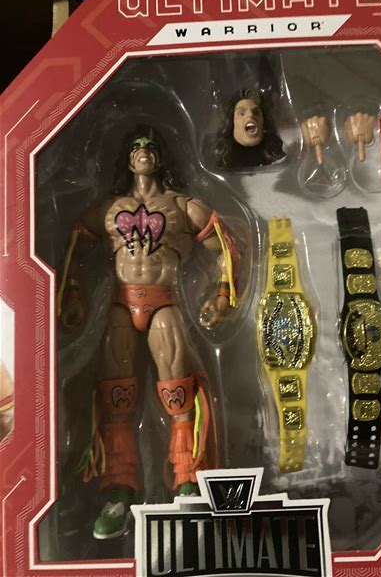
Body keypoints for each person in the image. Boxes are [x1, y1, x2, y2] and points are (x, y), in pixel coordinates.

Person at [58, 124, 239, 539]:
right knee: (116, 397)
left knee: (178, 393)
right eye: (136, 145)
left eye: (150, 146)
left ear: (161, 156)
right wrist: (72, 292)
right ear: (127, 157)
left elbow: (228, 247)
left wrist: (222, 294)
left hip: (165, 301)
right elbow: (71, 245)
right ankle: (118, 491)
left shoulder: (182, 205)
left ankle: (188, 479)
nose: (143, 151)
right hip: (121, 303)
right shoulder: (110, 208)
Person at [214, 88, 285, 168]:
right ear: (231, 123)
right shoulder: (218, 164)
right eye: (241, 113)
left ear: (263, 122)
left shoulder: (279, 162)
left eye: (256, 112)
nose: (250, 115)